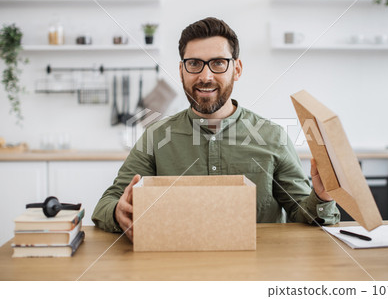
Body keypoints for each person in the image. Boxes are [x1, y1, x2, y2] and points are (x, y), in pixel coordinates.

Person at [92, 17, 340, 241]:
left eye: (218, 63)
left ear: (237, 69)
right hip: (176, 265)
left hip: (259, 271)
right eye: (194, 64)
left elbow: (301, 213)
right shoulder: (156, 137)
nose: (206, 76)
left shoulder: (273, 137)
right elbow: (108, 202)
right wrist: (117, 212)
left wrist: (322, 196)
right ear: (181, 71)